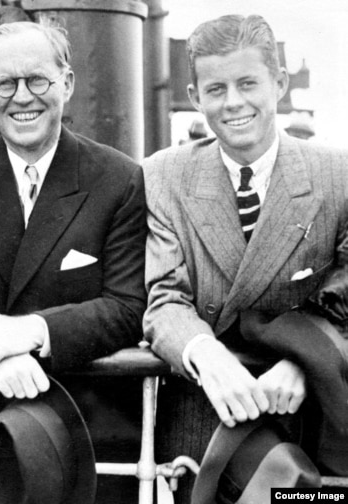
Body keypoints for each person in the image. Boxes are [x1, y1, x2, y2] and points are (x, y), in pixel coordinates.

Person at [0, 20, 147, 504]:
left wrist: (26, 334)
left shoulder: (120, 179)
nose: (22, 97)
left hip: (96, 429)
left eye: (37, 80)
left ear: (66, 82)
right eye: (5, 83)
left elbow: (128, 306)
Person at [143, 14, 348, 502]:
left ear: (277, 83)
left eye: (248, 83)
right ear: (195, 97)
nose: (233, 102)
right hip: (203, 421)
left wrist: (305, 360)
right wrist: (205, 354)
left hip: (311, 421)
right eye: (215, 89)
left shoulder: (338, 176)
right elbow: (164, 297)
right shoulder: (163, 177)